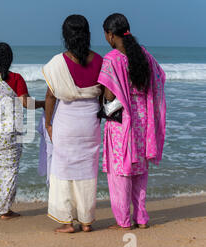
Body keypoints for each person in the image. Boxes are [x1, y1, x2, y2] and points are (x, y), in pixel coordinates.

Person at [98, 13, 166, 230]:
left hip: (122, 121)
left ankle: (124, 221)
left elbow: (109, 96)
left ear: (110, 34)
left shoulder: (112, 58)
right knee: (139, 171)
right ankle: (142, 218)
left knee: (121, 172)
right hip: (143, 119)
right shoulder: (144, 54)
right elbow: (160, 77)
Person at [43, 15, 103, 233]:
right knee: (88, 170)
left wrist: (49, 123)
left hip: (66, 123)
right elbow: (104, 96)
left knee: (63, 170)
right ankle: (86, 221)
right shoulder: (99, 60)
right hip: (90, 123)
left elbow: (50, 97)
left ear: (65, 35)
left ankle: (67, 223)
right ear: (87, 33)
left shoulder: (57, 63)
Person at [0, 42, 44, 220]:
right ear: (9, 59)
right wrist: (45, 103)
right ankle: (5, 211)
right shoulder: (16, 78)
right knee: (8, 171)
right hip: (9, 133)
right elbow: (26, 103)